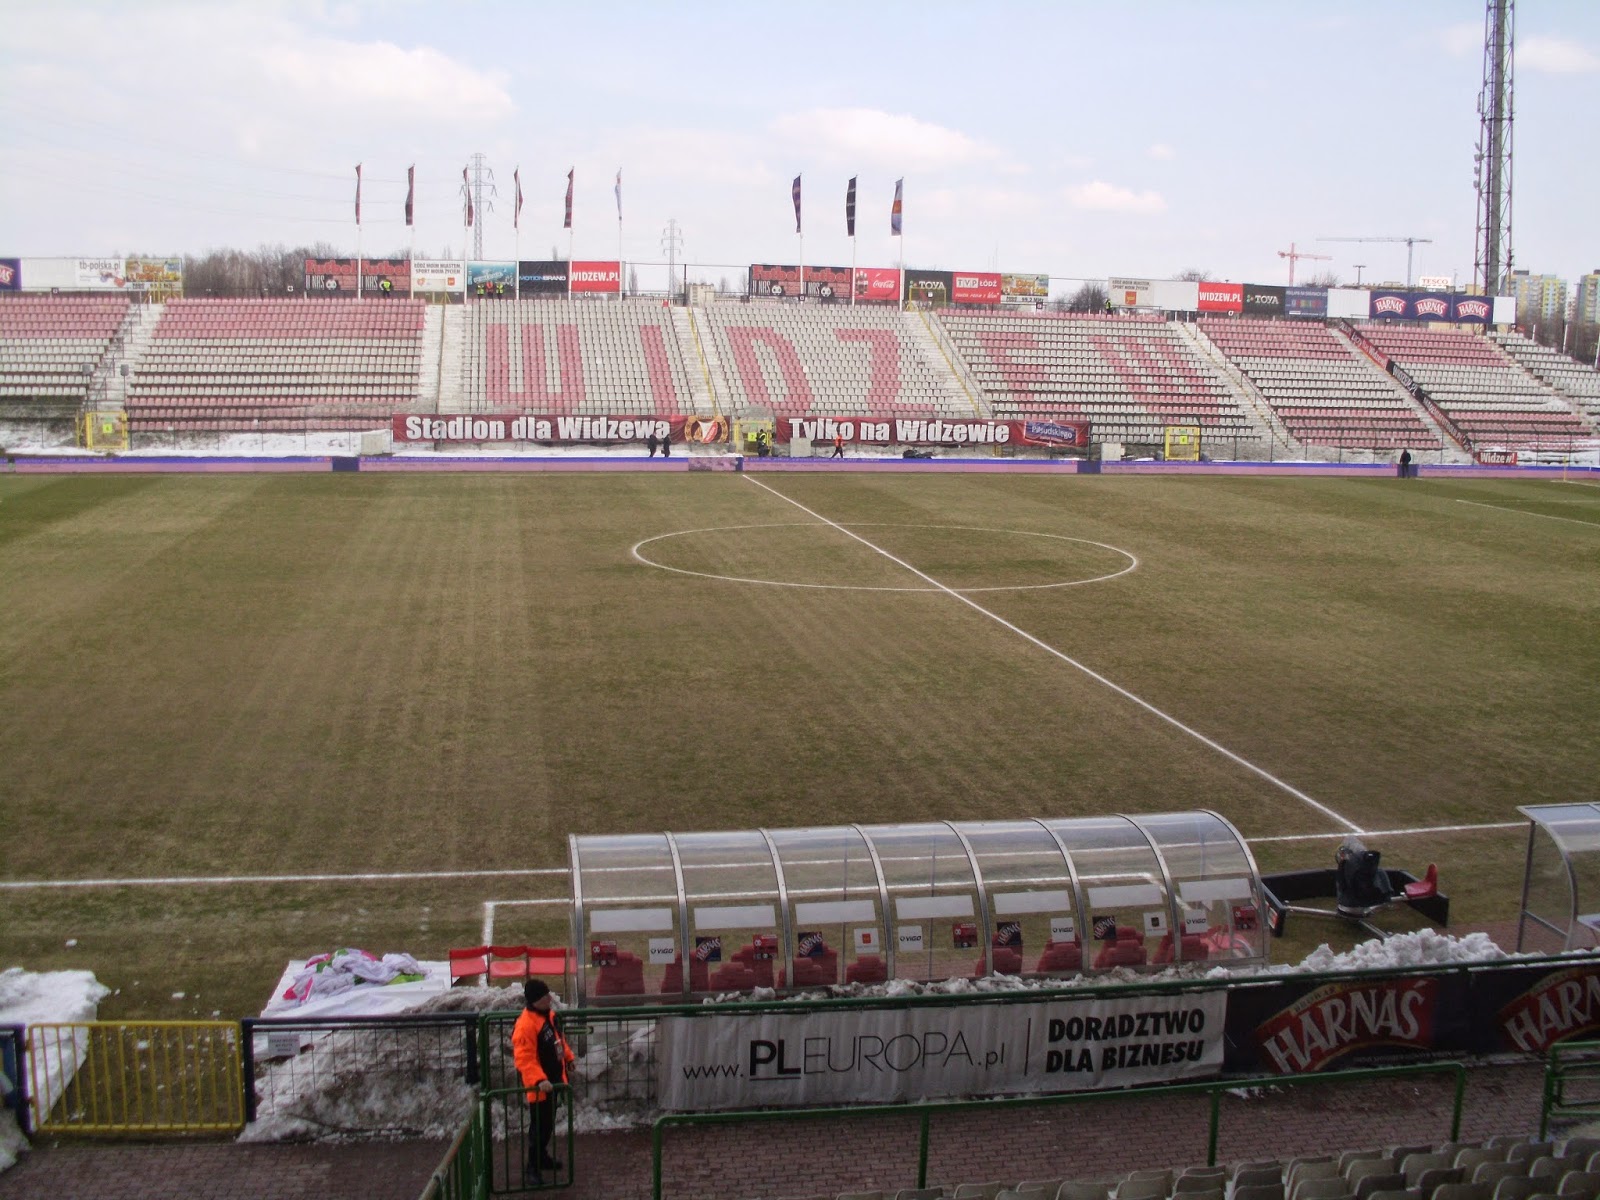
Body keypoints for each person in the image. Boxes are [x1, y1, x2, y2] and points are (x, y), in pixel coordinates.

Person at [512, 979, 575, 1183]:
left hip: (553, 1082)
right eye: (545, 995)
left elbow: (559, 1041)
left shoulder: (548, 1016)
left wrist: (568, 1058)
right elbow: (524, 1058)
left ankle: (542, 1157)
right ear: (536, 1000)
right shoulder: (526, 1025)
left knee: (547, 1125)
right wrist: (539, 1080)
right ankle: (532, 1166)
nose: (550, 998)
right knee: (538, 1127)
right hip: (540, 1086)